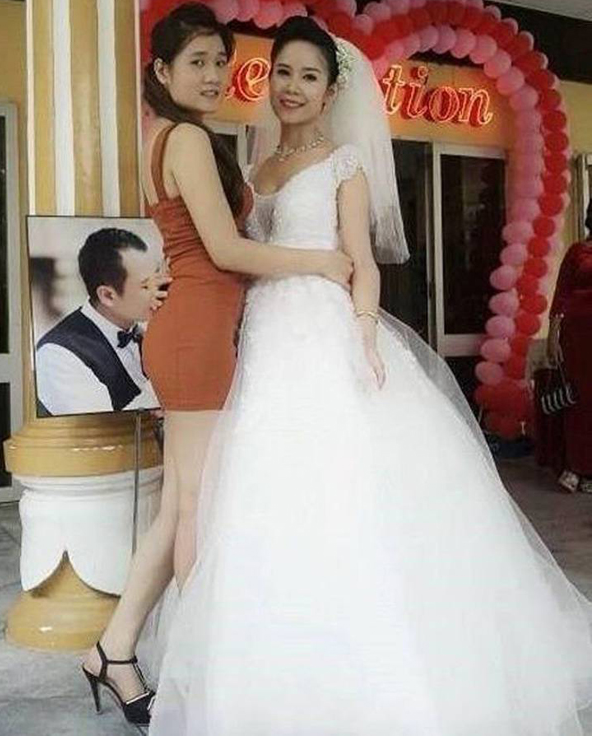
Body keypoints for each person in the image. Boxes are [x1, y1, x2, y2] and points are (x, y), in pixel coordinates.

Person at [148, 19, 592, 735]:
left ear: (330, 93)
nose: (292, 89)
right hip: (259, 337)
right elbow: (225, 252)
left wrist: (362, 330)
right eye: (283, 73)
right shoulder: (253, 171)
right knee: (254, 491)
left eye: (309, 77)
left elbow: (361, 258)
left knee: (343, 490)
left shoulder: (343, 164)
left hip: (323, 332)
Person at [80, 4, 353, 726]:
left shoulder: (162, 137)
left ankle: (113, 648)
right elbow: (227, 250)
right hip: (196, 334)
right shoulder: (190, 139)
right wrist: (320, 262)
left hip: (190, 327)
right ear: (162, 70)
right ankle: (198, 670)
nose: (212, 75)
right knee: (195, 507)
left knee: (180, 503)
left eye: (219, 62)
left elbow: (192, 244)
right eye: (196, 62)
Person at [35, 227, 164, 416]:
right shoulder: (56, 355)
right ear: (107, 295)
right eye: (146, 286)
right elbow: (102, 427)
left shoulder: (149, 326)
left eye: (158, 278)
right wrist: (169, 374)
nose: (158, 291)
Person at [543, 200, 592, 493]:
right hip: (577, 337)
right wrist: (552, 336)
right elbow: (561, 294)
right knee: (578, 400)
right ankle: (574, 467)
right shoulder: (577, 252)